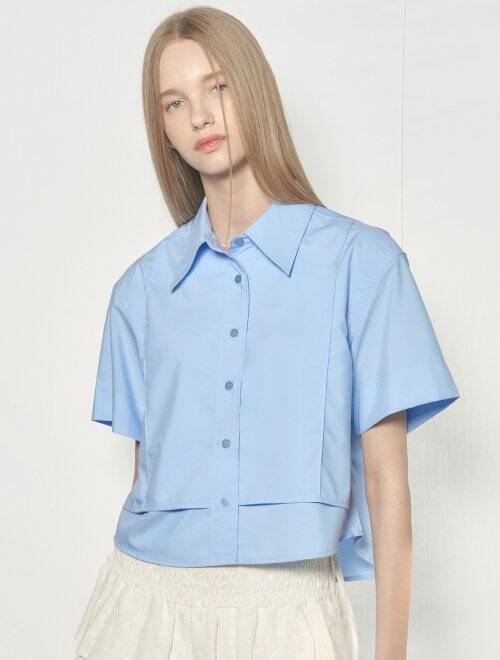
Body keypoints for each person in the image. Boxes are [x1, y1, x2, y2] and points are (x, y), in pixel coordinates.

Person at [73, 6, 460, 660]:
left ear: (255, 89)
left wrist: (391, 652)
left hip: (291, 610)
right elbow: (148, 477)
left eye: (218, 87)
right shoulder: (141, 292)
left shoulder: (360, 265)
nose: (200, 117)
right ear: (161, 127)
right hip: (144, 607)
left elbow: (387, 484)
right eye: (175, 102)